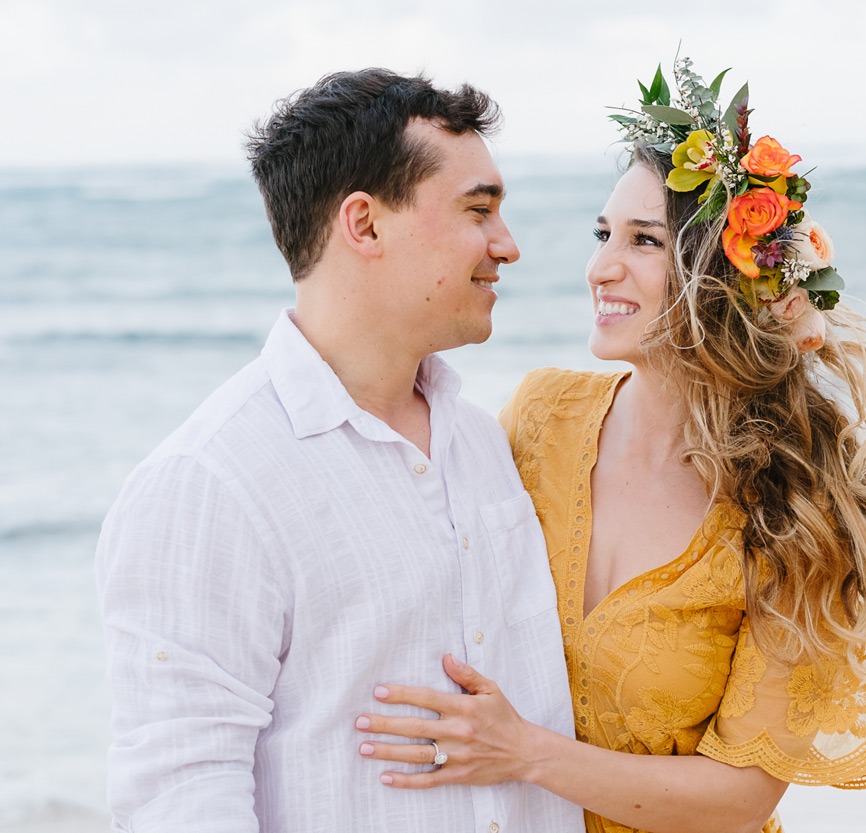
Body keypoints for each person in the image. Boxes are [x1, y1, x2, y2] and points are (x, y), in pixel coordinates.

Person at [354, 59, 866, 833]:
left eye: (644, 241)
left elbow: (739, 798)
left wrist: (525, 752)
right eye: (602, 234)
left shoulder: (793, 509)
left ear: (721, 277)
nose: (601, 267)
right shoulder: (540, 417)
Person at [95, 68, 582, 833]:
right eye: (479, 210)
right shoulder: (211, 480)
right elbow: (180, 792)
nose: (507, 245)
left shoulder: (484, 440)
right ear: (365, 225)